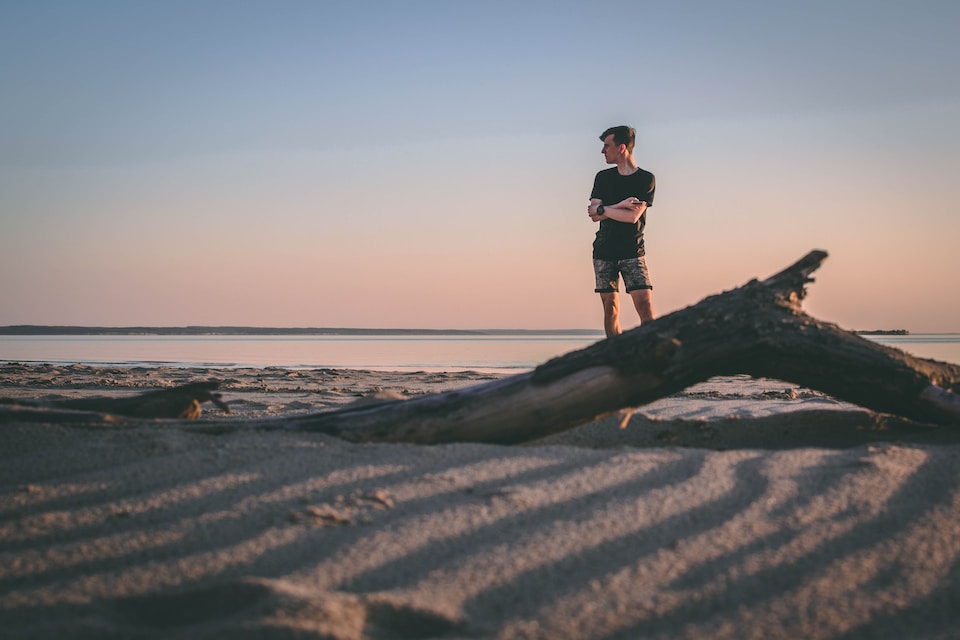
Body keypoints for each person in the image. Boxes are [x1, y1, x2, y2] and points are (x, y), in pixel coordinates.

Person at [587, 125, 657, 338]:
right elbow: (593, 214)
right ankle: (614, 354)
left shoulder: (645, 179)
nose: (603, 151)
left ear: (622, 147)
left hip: (633, 251)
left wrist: (605, 209)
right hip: (604, 251)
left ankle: (652, 351)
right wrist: (620, 205)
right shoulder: (603, 177)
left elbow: (632, 217)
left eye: (607, 146)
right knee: (611, 308)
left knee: (645, 305)